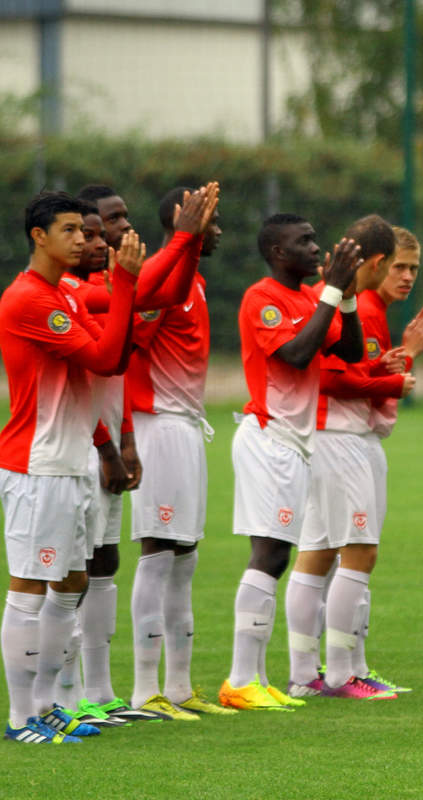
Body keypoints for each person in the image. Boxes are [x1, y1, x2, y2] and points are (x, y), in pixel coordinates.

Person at [1, 192, 142, 743]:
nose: (82, 239)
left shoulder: (64, 293)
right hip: (38, 465)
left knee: (71, 583)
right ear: (38, 236)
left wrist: (104, 443)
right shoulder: (29, 299)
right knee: (29, 588)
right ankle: (20, 718)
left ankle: (46, 705)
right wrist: (126, 282)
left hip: (71, 461)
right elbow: (106, 359)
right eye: (69, 230)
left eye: (83, 231)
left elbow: (105, 361)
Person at [68, 183, 212, 723]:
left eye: (125, 217)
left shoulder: (129, 283)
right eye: (111, 221)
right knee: (71, 573)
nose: (124, 228)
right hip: (88, 442)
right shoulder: (81, 291)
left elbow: (160, 298)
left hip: (134, 432)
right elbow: (125, 340)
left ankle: (119, 692)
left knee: (113, 563)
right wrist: (183, 239)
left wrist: (122, 440)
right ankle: (74, 699)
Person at [285, 216, 423, 700]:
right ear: (376, 263)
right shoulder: (362, 306)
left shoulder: (354, 303)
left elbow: (348, 370)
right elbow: (333, 378)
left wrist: (387, 364)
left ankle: (306, 674)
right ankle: (341, 673)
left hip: (330, 438)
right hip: (342, 439)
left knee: (317, 555)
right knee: (358, 553)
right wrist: (402, 365)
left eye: (414, 267)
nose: (407, 276)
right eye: (399, 265)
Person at [219, 214, 364, 710]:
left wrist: (346, 296)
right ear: (278, 253)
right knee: (270, 555)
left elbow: (351, 350)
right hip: (270, 438)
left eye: (315, 238)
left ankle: (256, 679)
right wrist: (331, 292)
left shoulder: (308, 298)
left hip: (294, 444)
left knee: (276, 555)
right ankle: (241, 679)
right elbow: (297, 355)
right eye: (304, 241)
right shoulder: (262, 298)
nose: (316, 247)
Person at [118, 185, 231, 720]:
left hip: (186, 426)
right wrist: (128, 435)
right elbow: (125, 350)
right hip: (158, 424)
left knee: (185, 556)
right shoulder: (159, 282)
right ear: (185, 222)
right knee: (159, 550)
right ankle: (145, 691)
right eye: (212, 221)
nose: (219, 230)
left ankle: (180, 688)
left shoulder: (194, 282)